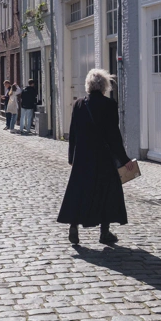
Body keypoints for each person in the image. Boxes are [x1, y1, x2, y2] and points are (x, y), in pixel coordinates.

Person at [57, 68, 136, 246]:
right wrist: (124, 160)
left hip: (83, 157)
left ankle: (74, 226)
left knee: (79, 192)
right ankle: (104, 232)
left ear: (88, 85)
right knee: (107, 192)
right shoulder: (109, 105)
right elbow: (114, 136)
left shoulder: (78, 104)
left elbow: (73, 134)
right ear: (104, 86)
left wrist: (71, 157)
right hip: (103, 157)